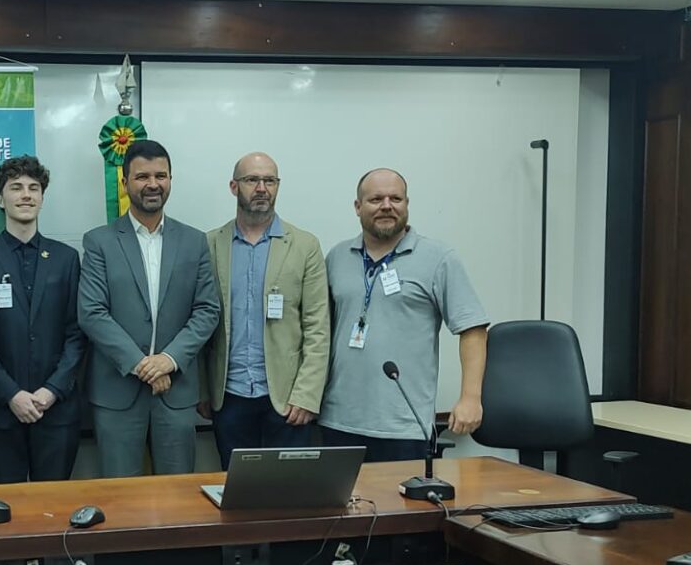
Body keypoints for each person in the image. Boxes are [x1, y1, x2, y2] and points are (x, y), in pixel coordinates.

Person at [319, 168, 489, 462]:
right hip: (337, 421)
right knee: (341, 508)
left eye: (395, 198)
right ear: (358, 207)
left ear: (407, 204)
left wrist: (471, 398)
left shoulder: (438, 258)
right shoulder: (336, 257)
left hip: (404, 426)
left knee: (401, 508)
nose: (387, 205)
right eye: (375, 199)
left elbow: (472, 329)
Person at [78, 139, 220, 477]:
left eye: (161, 175)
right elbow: (92, 312)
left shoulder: (194, 241)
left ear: (171, 180)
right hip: (117, 391)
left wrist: (168, 361)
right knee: (120, 496)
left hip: (176, 390)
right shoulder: (99, 241)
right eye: (142, 176)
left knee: (177, 497)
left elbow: (207, 310)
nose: (153, 184)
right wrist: (143, 365)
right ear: (125, 183)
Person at [199, 152, 330, 461]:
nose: (261, 188)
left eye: (269, 180)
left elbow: (317, 326)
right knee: (235, 496)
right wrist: (203, 391)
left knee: (287, 498)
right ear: (234, 187)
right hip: (228, 397)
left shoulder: (304, 245)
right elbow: (200, 324)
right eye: (251, 180)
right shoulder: (210, 244)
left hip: (287, 401)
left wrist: (307, 395)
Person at [0, 155, 85, 483]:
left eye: (34, 188)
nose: (26, 195)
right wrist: (11, 393)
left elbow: (77, 333)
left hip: (57, 409)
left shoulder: (66, 258)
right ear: (0, 200)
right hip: (0, 410)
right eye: (16, 187)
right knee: (7, 509)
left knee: (53, 509)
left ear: (42, 198)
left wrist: (52, 390)